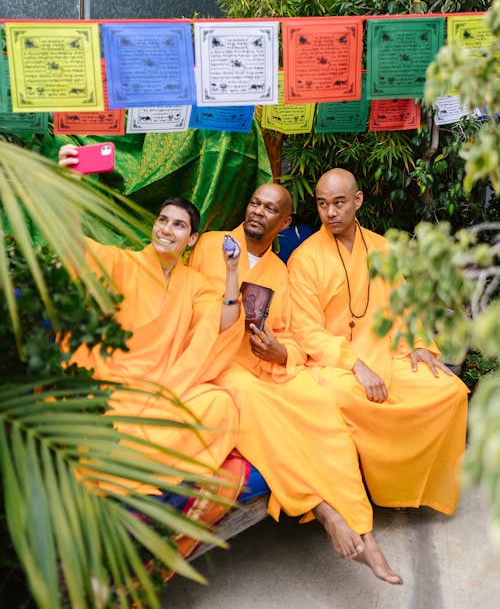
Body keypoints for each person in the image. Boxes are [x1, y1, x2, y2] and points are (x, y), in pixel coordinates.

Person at [190, 183, 403, 585]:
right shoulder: (211, 246)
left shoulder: (280, 272)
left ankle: (366, 533)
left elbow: (291, 336)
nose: (258, 212)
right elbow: (183, 294)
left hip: (262, 364)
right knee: (254, 400)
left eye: (270, 209)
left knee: (319, 403)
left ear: (284, 223)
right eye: (254, 202)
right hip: (213, 364)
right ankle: (324, 509)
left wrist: (280, 352)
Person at [57, 144, 244, 495]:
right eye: (162, 220)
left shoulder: (195, 284)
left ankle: (135, 464)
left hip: (164, 385)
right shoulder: (123, 262)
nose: (166, 230)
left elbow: (223, 323)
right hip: (114, 382)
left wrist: (232, 271)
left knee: (219, 404)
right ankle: (140, 466)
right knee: (100, 420)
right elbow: (74, 248)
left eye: (178, 225)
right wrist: (69, 187)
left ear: (191, 239)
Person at [288, 168, 469, 517]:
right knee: (337, 396)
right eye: (323, 204)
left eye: (339, 202)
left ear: (357, 201)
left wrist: (418, 342)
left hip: (389, 353)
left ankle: (416, 487)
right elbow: (306, 331)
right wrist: (355, 364)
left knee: (450, 391)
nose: (331, 212)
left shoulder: (382, 247)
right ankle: (366, 486)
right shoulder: (305, 259)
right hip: (335, 364)